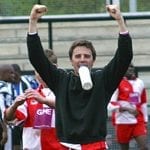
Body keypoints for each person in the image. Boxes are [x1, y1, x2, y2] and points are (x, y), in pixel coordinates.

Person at [27, 4, 133, 150]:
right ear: (71, 61)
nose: (82, 59)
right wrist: (32, 21)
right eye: (78, 56)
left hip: (95, 146)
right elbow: (36, 58)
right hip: (65, 145)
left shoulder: (103, 79)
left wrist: (120, 21)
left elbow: (125, 56)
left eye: (87, 56)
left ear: (93, 60)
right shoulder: (61, 80)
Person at [4, 49, 62, 150]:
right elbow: (9, 118)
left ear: (55, 68)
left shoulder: (66, 92)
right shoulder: (30, 95)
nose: (40, 73)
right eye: (37, 70)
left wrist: (44, 101)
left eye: (44, 68)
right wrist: (15, 105)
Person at [107, 64, 149, 150]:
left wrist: (145, 120)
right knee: (125, 148)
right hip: (122, 121)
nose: (130, 69)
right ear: (122, 70)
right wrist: (126, 108)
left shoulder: (139, 82)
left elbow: (143, 103)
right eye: (127, 67)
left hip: (138, 120)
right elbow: (110, 105)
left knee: (144, 147)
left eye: (132, 67)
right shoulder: (117, 83)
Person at [0, 64, 16, 150]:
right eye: (11, 73)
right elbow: (1, 109)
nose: (13, 75)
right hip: (2, 127)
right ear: (2, 74)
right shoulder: (3, 88)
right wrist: (5, 131)